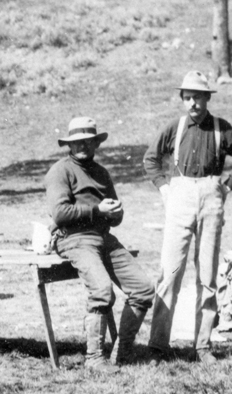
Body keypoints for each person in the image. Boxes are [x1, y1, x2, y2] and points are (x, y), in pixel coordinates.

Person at [142, 70, 232, 362]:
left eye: (198, 97)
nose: (193, 103)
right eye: (188, 97)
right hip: (179, 195)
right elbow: (151, 159)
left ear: (208, 98)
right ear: (182, 99)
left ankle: (202, 345)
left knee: (207, 275)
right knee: (170, 272)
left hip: (210, 196)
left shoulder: (222, 128)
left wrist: (227, 186)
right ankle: (157, 346)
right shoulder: (175, 127)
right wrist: (165, 188)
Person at [44, 117, 155, 372]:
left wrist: (116, 213)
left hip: (104, 238)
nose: (83, 145)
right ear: (69, 145)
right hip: (74, 239)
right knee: (103, 290)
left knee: (144, 289)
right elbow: (60, 213)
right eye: (77, 142)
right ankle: (94, 358)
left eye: (89, 140)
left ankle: (123, 352)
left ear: (96, 143)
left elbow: (113, 216)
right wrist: (97, 209)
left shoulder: (101, 173)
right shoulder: (60, 170)